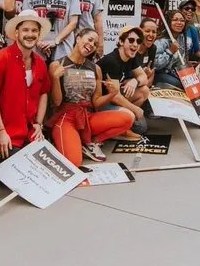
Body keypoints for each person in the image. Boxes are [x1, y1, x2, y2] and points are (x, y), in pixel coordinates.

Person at [46, 28, 135, 165]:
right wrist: (55, 79)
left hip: (87, 117)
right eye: (89, 39)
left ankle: (90, 142)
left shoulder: (95, 69)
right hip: (66, 117)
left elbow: (96, 102)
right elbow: (56, 102)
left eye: (95, 44)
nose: (91, 45)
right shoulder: (57, 65)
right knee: (74, 162)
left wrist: (112, 94)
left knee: (128, 119)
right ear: (78, 38)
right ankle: (70, 139)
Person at [0, 10, 52, 158]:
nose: (30, 34)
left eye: (34, 30)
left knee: (46, 168)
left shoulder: (40, 63)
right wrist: (1, 132)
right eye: (25, 30)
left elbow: (43, 93)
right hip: (7, 136)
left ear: (39, 34)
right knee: (24, 171)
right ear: (16, 33)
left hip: (30, 132)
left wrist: (39, 124)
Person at [97, 26, 152, 138]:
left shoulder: (131, 57)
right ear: (121, 41)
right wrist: (134, 109)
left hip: (113, 98)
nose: (135, 44)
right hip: (100, 103)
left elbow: (144, 77)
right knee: (138, 124)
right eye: (131, 40)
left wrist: (134, 81)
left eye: (138, 41)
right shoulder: (112, 60)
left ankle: (124, 124)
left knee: (144, 91)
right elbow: (114, 96)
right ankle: (120, 128)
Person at [153, 9, 200, 91]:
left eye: (182, 20)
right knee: (177, 84)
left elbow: (181, 61)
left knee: (194, 84)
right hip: (161, 73)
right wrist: (170, 51)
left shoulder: (183, 39)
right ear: (168, 22)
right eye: (175, 20)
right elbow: (156, 65)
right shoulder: (161, 41)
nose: (179, 23)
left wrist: (188, 65)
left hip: (176, 72)